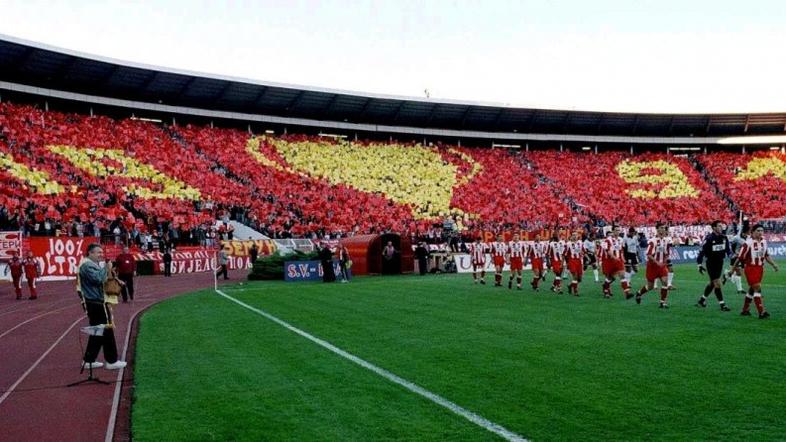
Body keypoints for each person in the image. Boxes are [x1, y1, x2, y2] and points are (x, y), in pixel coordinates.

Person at [78, 243, 126, 370]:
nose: (101, 254)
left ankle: (89, 360)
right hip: (95, 302)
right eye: (98, 252)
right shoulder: (87, 265)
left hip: (94, 302)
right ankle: (111, 361)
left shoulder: (90, 265)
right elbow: (99, 279)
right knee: (107, 330)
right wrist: (107, 268)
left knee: (97, 331)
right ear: (90, 253)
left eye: (101, 252)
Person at [735, 224, 779, 319]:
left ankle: (745, 310)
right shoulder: (748, 243)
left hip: (760, 268)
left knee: (752, 289)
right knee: (757, 288)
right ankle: (761, 312)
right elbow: (740, 258)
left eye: (761, 231)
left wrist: (774, 264)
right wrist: (734, 269)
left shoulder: (764, 242)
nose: (760, 232)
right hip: (750, 268)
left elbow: (766, 255)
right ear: (753, 232)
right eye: (758, 230)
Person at [634, 223, 672, 308]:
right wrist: (657, 262)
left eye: (664, 228)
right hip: (652, 266)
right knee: (650, 286)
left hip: (661, 266)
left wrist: (664, 262)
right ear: (657, 229)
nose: (663, 229)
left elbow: (667, 253)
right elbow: (649, 254)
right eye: (661, 228)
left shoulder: (666, 241)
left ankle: (663, 302)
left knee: (665, 282)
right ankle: (639, 293)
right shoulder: (652, 241)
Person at [695, 220, 732, 311]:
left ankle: (702, 300)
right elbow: (701, 252)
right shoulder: (709, 238)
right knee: (717, 283)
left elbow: (728, 251)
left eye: (721, 226)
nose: (721, 227)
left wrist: (733, 256)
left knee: (712, 283)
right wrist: (699, 264)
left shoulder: (724, 237)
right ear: (714, 227)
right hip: (711, 263)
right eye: (719, 226)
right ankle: (722, 305)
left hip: (720, 262)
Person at [600, 226, 628, 298]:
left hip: (618, 260)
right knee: (610, 277)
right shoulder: (608, 240)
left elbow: (621, 250)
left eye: (619, 230)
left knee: (622, 275)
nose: (617, 232)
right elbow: (608, 250)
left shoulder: (621, 239)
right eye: (616, 230)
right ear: (612, 231)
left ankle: (627, 293)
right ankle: (605, 289)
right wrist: (614, 257)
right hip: (609, 261)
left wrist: (623, 258)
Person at [723, 227, 749, 295]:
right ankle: (739, 289)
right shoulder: (736, 238)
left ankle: (727, 274)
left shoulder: (747, 238)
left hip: (742, 257)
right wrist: (734, 253)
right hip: (735, 257)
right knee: (739, 272)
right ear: (743, 233)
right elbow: (730, 244)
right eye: (746, 233)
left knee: (739, 273)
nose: (747, 235)